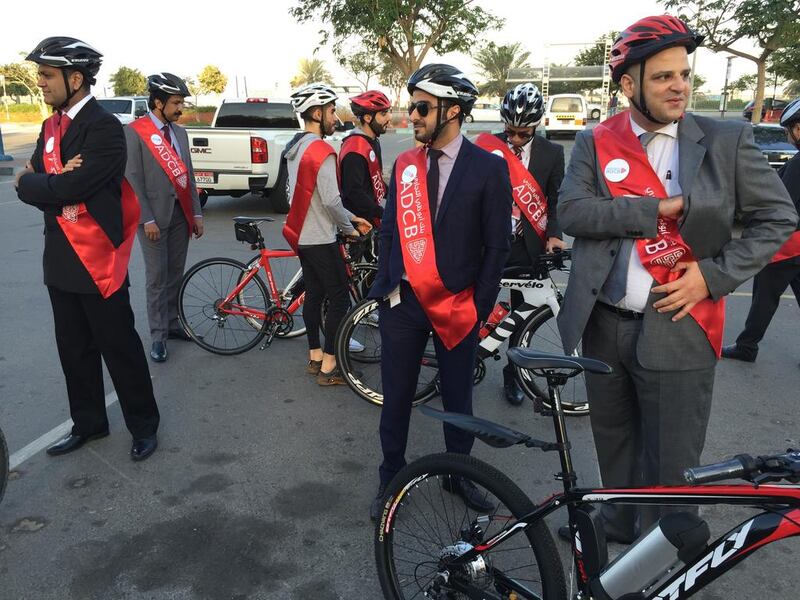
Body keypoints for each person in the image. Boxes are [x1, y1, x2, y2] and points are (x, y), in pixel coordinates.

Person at [556, 16, 797, 543]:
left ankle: (663, 550)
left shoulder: (727, 139)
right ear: (628, 84)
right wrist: (655, 208)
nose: (680, 86)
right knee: (613, 442)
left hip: (682, 324)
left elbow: (778, 220)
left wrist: (711, 277)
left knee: (672, 460)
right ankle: (616, 517)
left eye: (684, 74)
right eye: (664, 76)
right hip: (605, 323)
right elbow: (572, 214)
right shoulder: (595, 141)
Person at [368, 64, 513, 520]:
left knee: (459, 400)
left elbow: (497, 246)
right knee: (396, 398)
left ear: (452, 110)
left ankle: (459, 474)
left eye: (421, 107)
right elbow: (389, 230)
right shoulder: (406, 164)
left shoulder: (489, 169)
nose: (411, 115)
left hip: (457, 306)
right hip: (404, 306)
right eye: (412, 106)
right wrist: (384, 287)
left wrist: (479, 305)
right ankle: (391, 474)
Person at [15, 37, 160, 461]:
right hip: (60, 259)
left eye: (46, 74)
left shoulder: (105, 127)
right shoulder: (49, 127)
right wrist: (40, 183)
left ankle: (144, 425)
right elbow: (45, 187)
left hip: (99, 262)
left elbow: (73, 186)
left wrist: (40, 182)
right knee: (73, 350)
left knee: (120, 348)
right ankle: (89, 424)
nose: (40, 82)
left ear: (74, 78)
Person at [474, 82, 566, 405]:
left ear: (536, 125)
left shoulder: (553, 154)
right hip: (486, 244)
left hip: (526, 246)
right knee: (476, 307)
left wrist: (555, 234)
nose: (513, 139)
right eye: (509, 131)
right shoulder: (488, 147)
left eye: (522, 133)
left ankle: (512, 376)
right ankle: (462, 361)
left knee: (521, 316)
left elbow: (555, 200)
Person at [283, 83, 372, 385]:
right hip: (321, 238)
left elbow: (313, 198)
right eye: (332, 111)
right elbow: (332, 200)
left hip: (303, 236)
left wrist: (351, 217)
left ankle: (316, 356)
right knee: (339, 300)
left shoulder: (295, 148)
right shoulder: (323, 150)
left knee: (315, 296)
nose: (335, 117)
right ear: (318, 113)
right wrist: (350, 228)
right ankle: (330, 368)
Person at [125, 72, 204, 363]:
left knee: (175, 275)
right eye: (175, 102)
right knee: (157, 279)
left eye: (181, 102)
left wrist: (196, 213)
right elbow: (132, 180)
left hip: (181, 215)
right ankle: (158, 336)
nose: (180, 108)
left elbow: (189, 176)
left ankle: (172, 325)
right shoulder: (135, 132)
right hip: (153, 220)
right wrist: (146, 219)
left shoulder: (180, 133)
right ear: (157, 102)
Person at [722, 98, 800, 363]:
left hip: (786, 246)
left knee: (764, 299)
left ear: (798, 129)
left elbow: (779, 207)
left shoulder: (798, 164)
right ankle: (747, 346)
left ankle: (747, 346)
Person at [339, 90, 391, 225]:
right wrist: (382, 213)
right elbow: (353, 192)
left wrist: (395, 194)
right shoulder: (354, 149)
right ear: (368, 118)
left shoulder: (372, 141)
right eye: (383, 114)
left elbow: (374, 180)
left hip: (372, 217)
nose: (389, 118)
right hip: (359, 224)